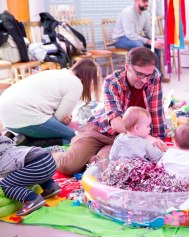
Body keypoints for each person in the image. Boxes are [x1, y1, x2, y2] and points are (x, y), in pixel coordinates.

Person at [55, 47, 167, 175]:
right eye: (139, 74)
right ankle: (55, 153)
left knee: (104, 168)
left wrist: (158, 140)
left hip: (125, 137)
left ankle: (92, 158)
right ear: (128, 67)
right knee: (68, 166)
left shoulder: (154, 77)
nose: (145, 80)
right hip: (100, 131)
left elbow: (156, 111)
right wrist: (147, 137)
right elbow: (116, 122)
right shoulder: (112, 81)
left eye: (148, 75)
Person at [0, 59, 101, 146]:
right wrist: (64, 122)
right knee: (71, 136)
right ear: (89, 78)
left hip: (6, 116)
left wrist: (62, 120)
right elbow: (59, 119)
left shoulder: (59, 73)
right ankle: (26, 144)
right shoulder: (76, 84)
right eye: (96, 79)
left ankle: (20, 138)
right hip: (24, 116)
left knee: (59, 129)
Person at [0, 136, 61, 216]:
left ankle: (33, 199)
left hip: (36, 166)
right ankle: (50, 186)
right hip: (49, 160)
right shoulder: (8, 145)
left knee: (5, 184)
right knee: (27, 171)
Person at [112, 0, 169, 83]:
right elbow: (130, 34)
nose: (146, 3)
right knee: (139, 45)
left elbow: (148, 30)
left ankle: (157, 76)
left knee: (156, 47)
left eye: (147, 1)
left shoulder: (145, 13)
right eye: (144, 1)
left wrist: (155, 40)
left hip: (135, 38)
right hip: (121, 39)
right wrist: (150, 42)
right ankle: (141, 76)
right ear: (136, 1)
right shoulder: (128, 13)